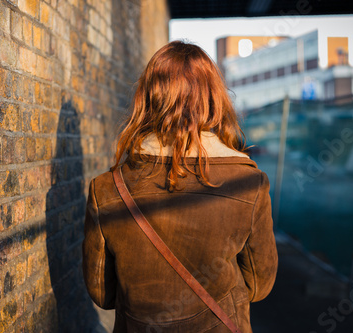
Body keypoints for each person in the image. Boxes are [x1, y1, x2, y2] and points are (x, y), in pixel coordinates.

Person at [82, 40, 278, 333]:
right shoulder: (248, 183)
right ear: (213, 98)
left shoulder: (107, 189)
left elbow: (103, 294)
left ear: (148, 99)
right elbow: (259, 285)